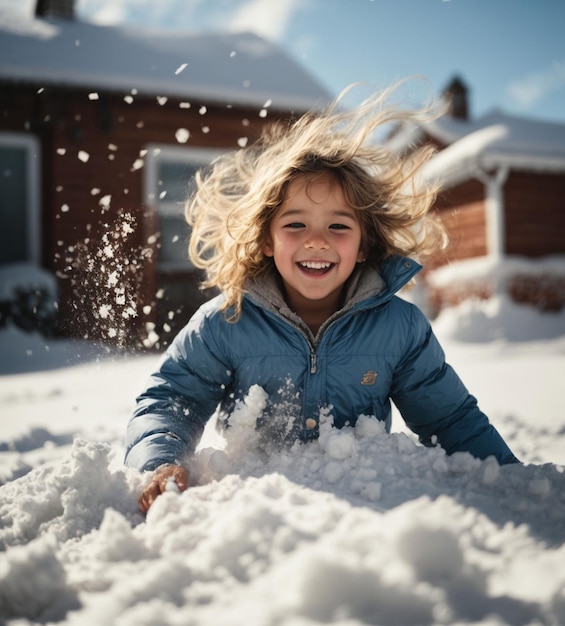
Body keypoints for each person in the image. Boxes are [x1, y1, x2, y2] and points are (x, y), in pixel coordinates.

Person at [125, 83, 518, 513]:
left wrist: (513, 481)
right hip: (257, 514)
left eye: (338, 227)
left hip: (363, 514)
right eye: (295, 225)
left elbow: (450, 419)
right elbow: (172, 401)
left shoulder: (399, 328)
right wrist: (160, 465)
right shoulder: (225, 321)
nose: (316, 241)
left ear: (364, 246)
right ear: (267, 241)